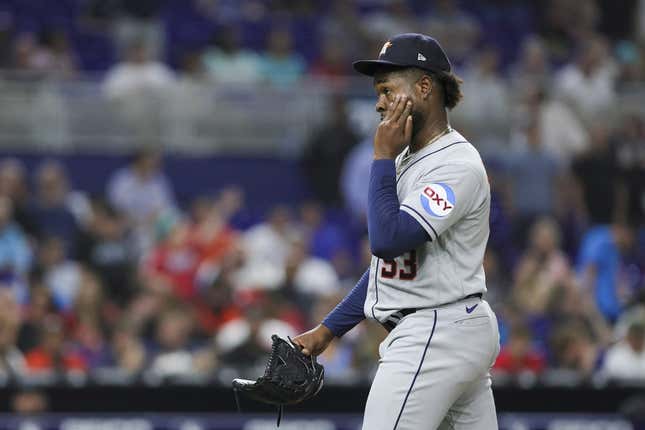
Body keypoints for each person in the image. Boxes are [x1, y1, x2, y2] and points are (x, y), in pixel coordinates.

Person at [293, 33, 500, 429]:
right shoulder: (410, 159)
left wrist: (381, 157)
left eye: (388, 89)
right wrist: (327, 331)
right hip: (450, 326)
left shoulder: (455, 165)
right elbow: (389, 268)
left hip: (435, 332)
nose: (379, 102)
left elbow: (388, 241)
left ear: (425, 87)